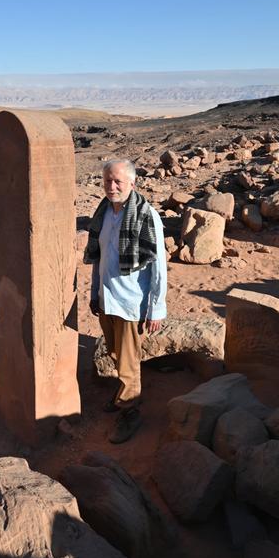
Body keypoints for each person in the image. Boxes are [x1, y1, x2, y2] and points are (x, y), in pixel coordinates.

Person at [84, 158, 167, 443]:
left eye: (118, 181)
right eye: (107, 180)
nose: (112, 186)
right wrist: (95, 291)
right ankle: (122, 397)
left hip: (131, 303)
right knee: (115, 352)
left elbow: (159, 268)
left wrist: (156, 308)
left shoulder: (146, 215)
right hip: (107, 298)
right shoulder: (104, 212)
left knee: (129, 363)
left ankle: (130, 410)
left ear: (132, 183)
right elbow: (99, 258)